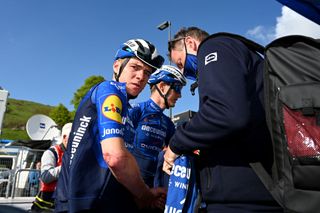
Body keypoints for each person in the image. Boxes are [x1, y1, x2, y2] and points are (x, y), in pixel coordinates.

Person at [163, 27, 282, 212]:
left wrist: (176, 143)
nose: (183, 71)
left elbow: (225, 113)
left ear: (190, 43)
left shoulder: (215, 47)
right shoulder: (238, 56)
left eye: (180, 63)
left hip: (244, 200)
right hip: (253, 191)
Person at [54, 39, 167, 213]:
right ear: (116, 66)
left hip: (102, 201)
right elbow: (115, 157)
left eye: (147, 72)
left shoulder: (126, 107)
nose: (141, 76)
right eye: (135, 67)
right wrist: (145, 194)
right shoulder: (110, 90)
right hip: (85, 204)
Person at [129, 65, 186, 187]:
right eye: (177, 88)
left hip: (153, 184)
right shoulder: (136, 110)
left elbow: (179, 147)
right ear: (162, 87)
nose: (180, 95)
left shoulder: (167, 123)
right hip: (129, 183)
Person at [31, 123, 72, 213]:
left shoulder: (74, 154)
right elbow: (45, 177)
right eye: (74, 138)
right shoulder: (51, 152)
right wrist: (68, 166)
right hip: (46, 203)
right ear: (65, 137)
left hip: (65, 202)